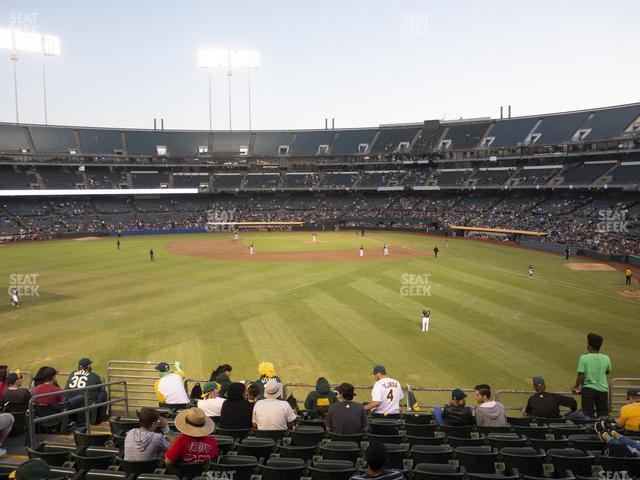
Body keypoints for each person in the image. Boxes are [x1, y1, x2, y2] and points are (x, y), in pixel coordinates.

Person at [572, 333, 612, 418]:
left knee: (587, 415)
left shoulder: (584, 358)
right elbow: (608, 371)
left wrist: (576, 387)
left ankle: (589, 431)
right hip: (603, 390)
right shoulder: (606, 358)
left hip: (588, 390)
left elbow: (581, 375)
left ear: (590, 346)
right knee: (603, 416)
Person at [64, 358, 108, 425]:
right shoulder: (94, 376)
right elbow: (100, 388)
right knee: (103, 393)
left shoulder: (72, 373)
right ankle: (100, 418)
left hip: (70, 403)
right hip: (86, 403)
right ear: (88, 367)